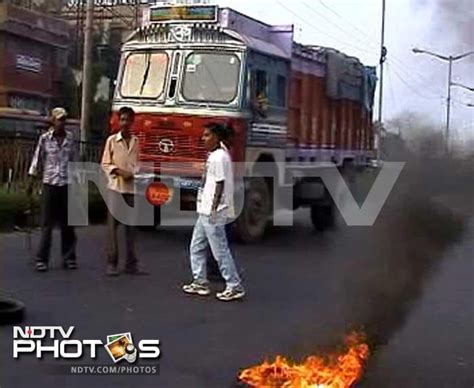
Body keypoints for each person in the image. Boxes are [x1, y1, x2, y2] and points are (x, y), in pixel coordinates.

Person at [183, 123, 245, 302]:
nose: (203, 138)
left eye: (207, 135)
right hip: (205, 210)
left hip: (213, 212)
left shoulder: (219, 157)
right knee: (197, 246)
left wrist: (213, 208)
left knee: (220, 250)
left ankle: (234, 285)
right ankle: (200, 281)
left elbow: (220, 184)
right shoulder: (215, 154)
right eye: (203, 135)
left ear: (217, 138)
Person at [28, 107, 78, 272]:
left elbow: (75, 162)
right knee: (47, 224)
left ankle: (69, 257)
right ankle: (42, 259)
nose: (61, 123)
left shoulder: (70, 139)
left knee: (67, 224)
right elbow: (37, 160)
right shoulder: (45, 139)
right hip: (50, 183)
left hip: (66, 183)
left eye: (64, 119)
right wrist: (31, 182)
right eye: (59, 119)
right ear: (53, 121)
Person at [101, 106, 148, 277]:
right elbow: (105, 164)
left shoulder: (135, 142)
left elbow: (138, 164)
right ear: (118, 121)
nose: (125, 123)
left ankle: (131, 264)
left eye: (128, 120)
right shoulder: (112, 141)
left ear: (132, 122)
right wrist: (119, 172)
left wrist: (133, 173)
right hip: (116, 188)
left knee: (130, 228)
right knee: (113, 228)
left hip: (131, 189)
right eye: (122, 119)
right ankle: (112, 263)